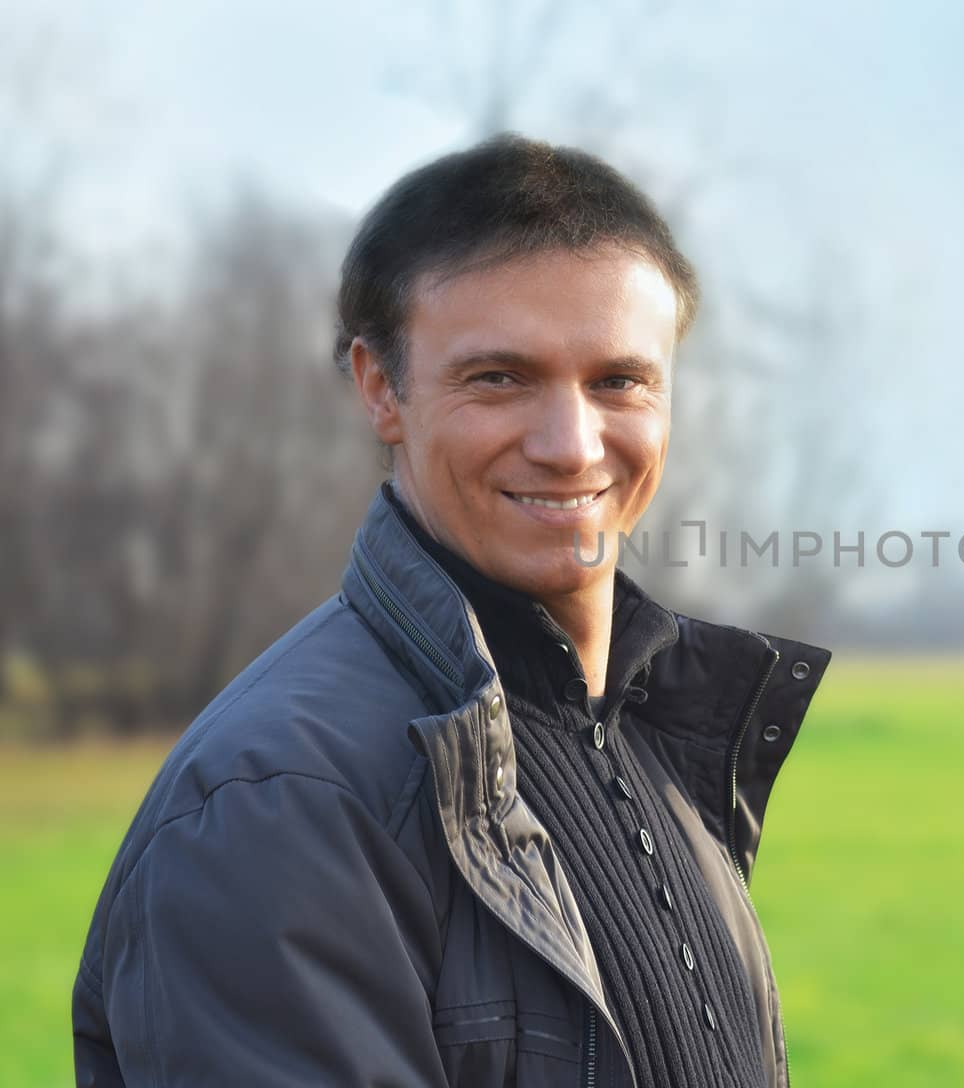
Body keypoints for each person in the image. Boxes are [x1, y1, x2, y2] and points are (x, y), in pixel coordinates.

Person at [71, 134, 831, 1088]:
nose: (570, 444)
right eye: (499, 378)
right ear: (380, 386)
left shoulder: (637, 732)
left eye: (618, 381)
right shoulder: (283, 802)